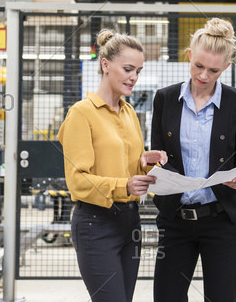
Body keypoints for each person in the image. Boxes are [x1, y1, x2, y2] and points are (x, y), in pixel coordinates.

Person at [58, 29, 167, 302]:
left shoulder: (129, 112)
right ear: (105, 65)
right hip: (96, 223)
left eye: (138, 71)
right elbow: (78, 181)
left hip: (130, 222)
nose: (134, 77)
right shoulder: (82, 114)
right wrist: (125, 185)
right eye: (128, 69)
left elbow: (130, 170)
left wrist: (145, 164)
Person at [151, 18, 236, 302]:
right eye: (198, 66)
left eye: (213, 70)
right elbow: (158, 153)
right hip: (175, 219)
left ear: (226, 68)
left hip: (220, 219)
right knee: (167, 297)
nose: (204, 76)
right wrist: (157, 167)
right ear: (189, 56)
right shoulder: (165, 99)